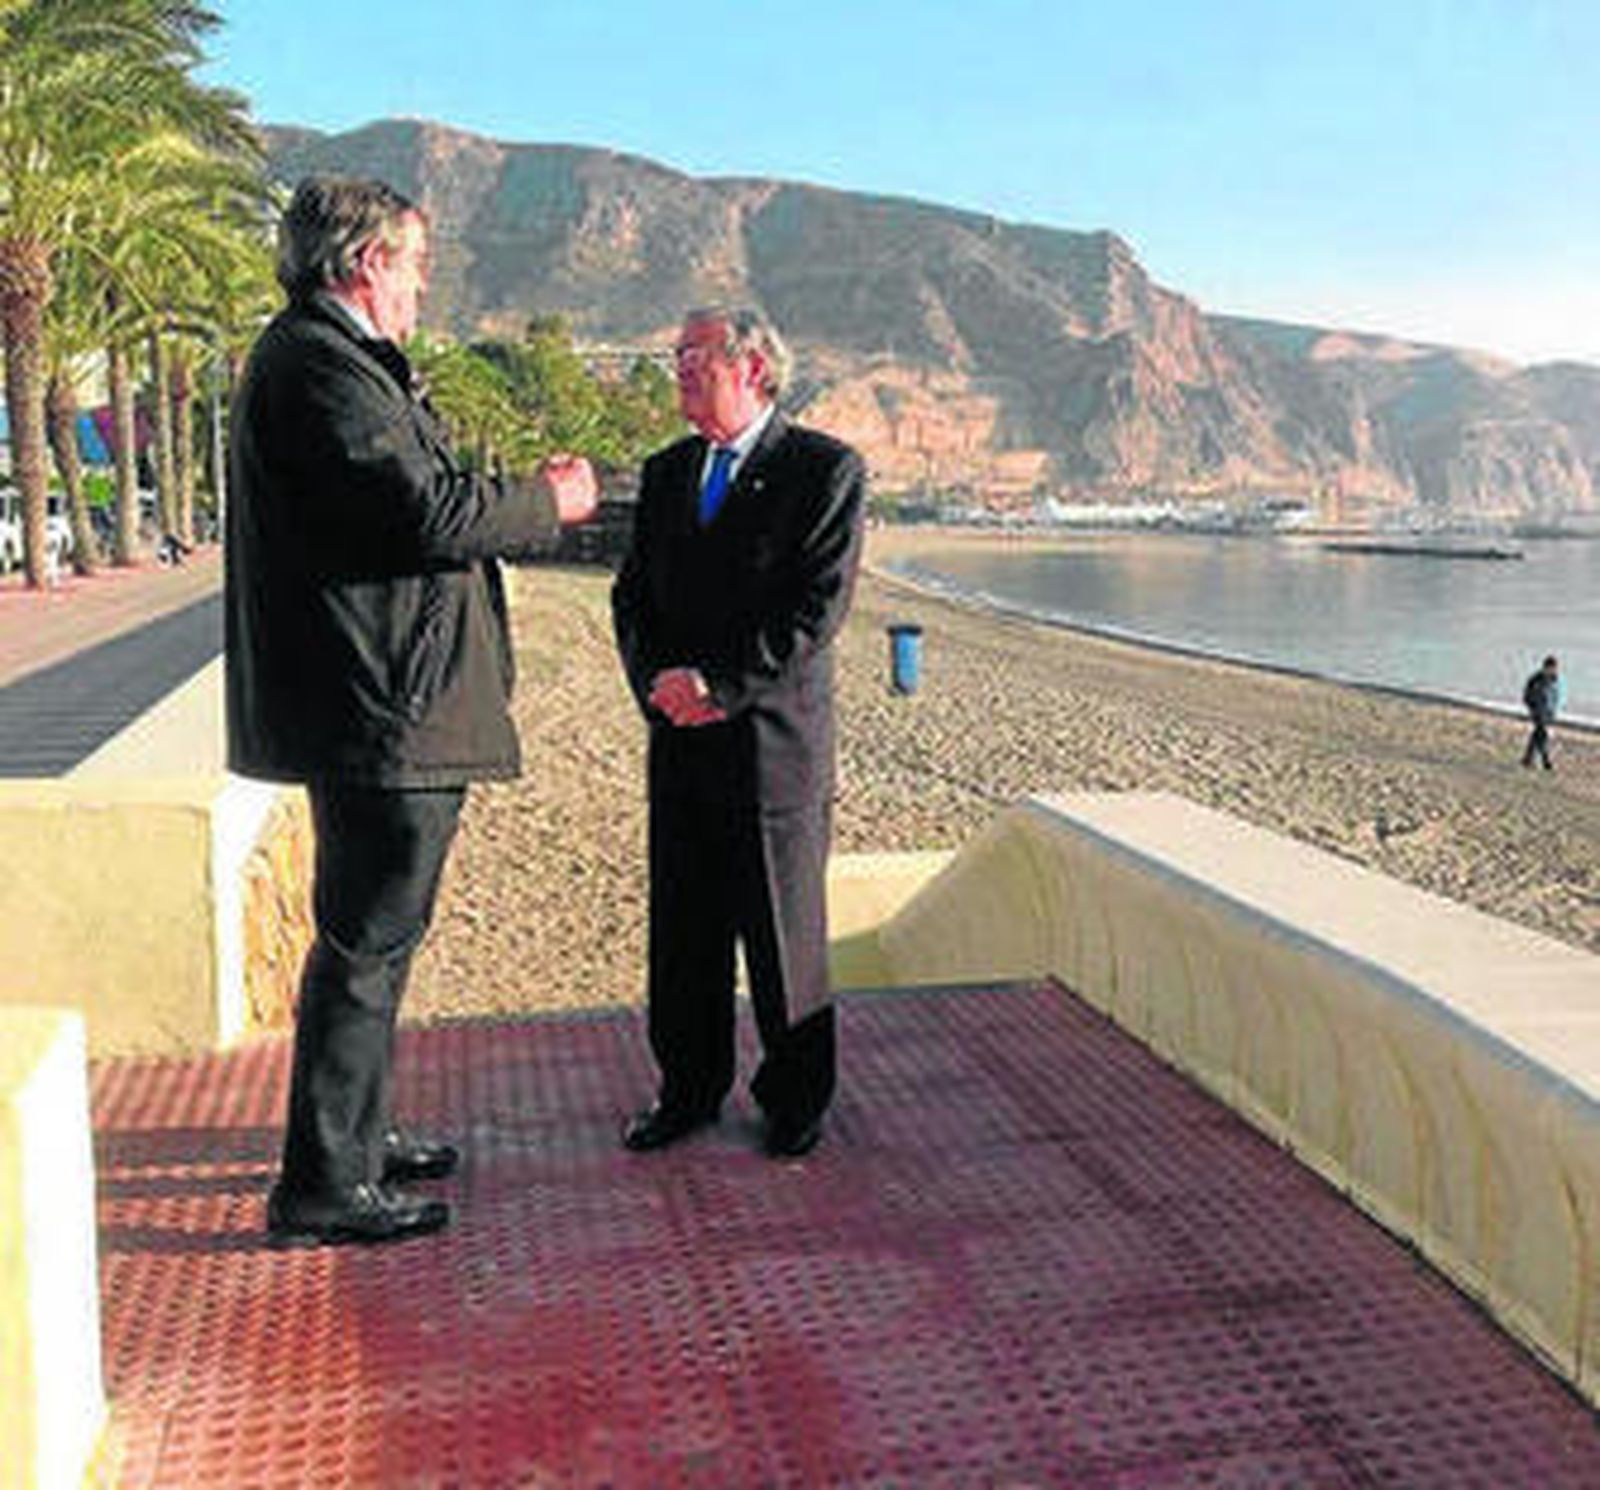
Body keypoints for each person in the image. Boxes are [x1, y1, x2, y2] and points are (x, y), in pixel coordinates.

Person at [226, 176, 598, 1246]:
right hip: (379, 705)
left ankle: (359, 1135)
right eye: (414, 267)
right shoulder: (318, 366)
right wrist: (551, 502)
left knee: (378, 937)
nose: (421, 289)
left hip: (382, 697)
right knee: (366, 942)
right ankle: (324, 1183)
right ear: (363, 263)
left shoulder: (329, 361)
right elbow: (421, 511)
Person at [612, 306, 866, 1160]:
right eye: (675, 352)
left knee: (781, 936)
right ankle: (686, 1091)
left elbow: (814, 613)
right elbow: (631, 597)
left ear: (753, 367)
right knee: (683, 935)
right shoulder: (667, 472)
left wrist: (718, 686)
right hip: (679, 741)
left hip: (771, 750)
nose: (677, 367)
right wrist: (658, 686)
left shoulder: (824, 470)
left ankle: (795, 1102)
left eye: (694, 355)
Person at [1522, 654, 1561, 770]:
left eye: (1554, 668)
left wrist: (1553, 711)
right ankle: (1546, 762)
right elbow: (1527, 696)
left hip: (1548, 712)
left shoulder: (1555, 680)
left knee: (1537, 735)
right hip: (1537, 712)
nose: (1552, 671)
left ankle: (1527, 759)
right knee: (1542, 734)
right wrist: (1533, 708)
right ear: (1545, 667)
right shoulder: (1535, 680)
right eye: (1550, 668)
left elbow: (1555, 696)